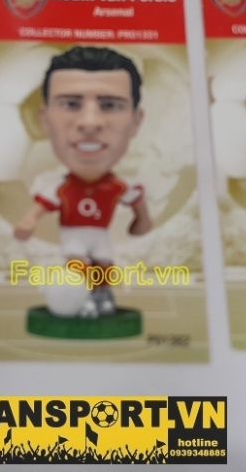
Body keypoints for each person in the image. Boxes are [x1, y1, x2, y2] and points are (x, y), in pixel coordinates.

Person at [14, 46, 153, 317]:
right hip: (74, 235)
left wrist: (142, 222)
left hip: (99, 235)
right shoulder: (59, 187)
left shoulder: (119, 186)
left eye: (110, 105)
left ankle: (101, 296)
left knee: (104, 265)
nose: (90, 123)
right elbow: (42, 205)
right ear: (45, 120)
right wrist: (29, 221)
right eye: (70, 104)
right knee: (76, 266)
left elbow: (136, 201)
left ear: (136, 122)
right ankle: (80, 298)